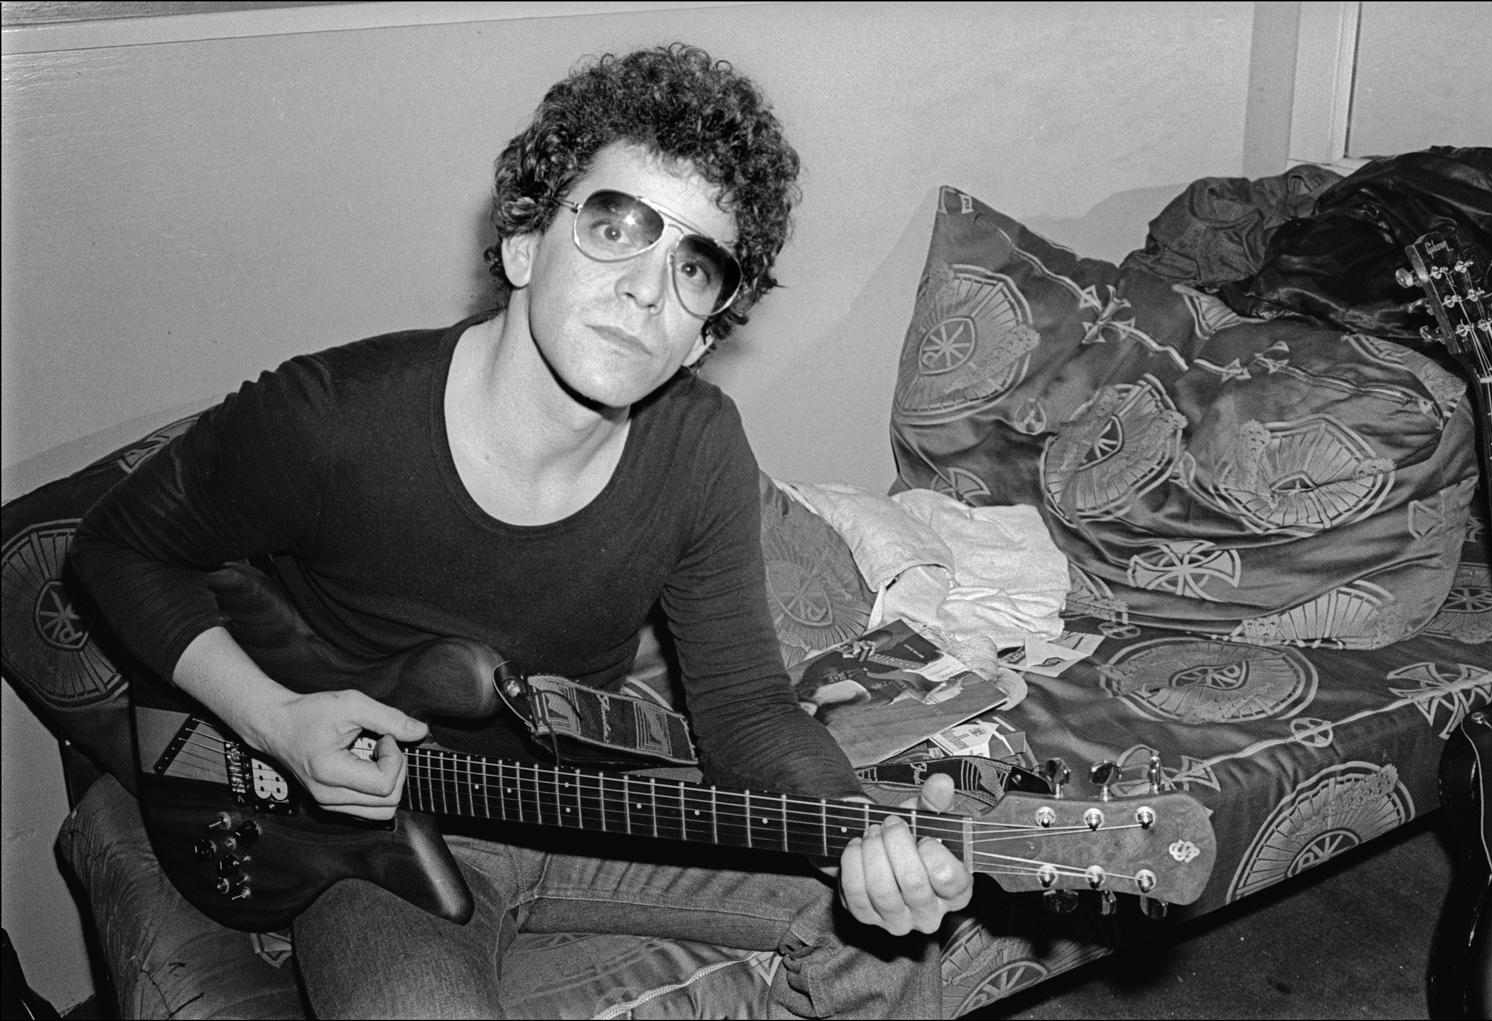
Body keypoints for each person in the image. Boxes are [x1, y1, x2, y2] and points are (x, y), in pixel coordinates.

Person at [71, 42, 972, 1019]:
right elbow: (119, 548)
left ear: (706, 333)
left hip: (572, 803)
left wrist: (856, 836)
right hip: (357, 835)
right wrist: (276, 722)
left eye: (695, 265)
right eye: (616, 224)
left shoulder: (698, 448)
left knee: (883, 944)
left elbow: (749, 712)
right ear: (524, 244)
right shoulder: (333, 418)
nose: (646, 288)